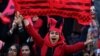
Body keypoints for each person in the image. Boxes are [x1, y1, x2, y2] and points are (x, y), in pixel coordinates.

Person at [23, 17, 93, 56]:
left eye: (56, 34)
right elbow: (33, 33)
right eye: (52, 33)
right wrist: (25, 19)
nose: (54, 35)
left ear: (59, 36)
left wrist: (85, 43)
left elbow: (74, 47)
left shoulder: (63, 47)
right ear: (49, 34)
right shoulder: (42, 43)